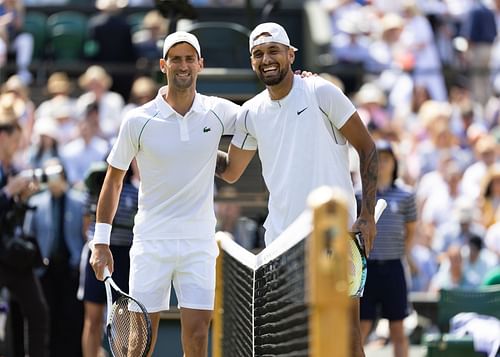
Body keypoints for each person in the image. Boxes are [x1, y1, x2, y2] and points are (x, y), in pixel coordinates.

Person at [216, 22, 378, 357]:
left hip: (335, 238)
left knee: (348, 342)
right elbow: (231, 171)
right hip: (281, 244)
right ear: (252, 62)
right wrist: (193, 142)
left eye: (274, 50)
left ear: (290, 54)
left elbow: (368, 148)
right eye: (258, 54)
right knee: (292, 344)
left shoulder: (321, 92)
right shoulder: (250, 113)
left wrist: (366, 216)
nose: (266, 59)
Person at [88, 31, 240, 357]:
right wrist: (101, 242)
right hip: (151, 243)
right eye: (176, 59)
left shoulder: (219, 112)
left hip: (199, 244)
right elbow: (113, 182)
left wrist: (298, 81)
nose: (182, 65)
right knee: (139, 344)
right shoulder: (137, 120)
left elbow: (264, 114)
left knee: (198, 338)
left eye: (189, 59)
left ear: (200, 64)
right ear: (163, 64)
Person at [358, 140, 417, 357]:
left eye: (386, 159)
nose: (381, 164)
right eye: (377, 159)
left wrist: (401, 252)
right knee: (361, 327)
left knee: (398, 328)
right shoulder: (358, 195)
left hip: (394, 268)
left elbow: (411, 229)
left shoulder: (406, 195)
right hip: (367, 269)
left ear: (394, 163)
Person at [23, 158, 85, 357]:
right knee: (46, 319)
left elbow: (85, 235)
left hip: (71, 269)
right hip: (45, 270)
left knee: (71, 321)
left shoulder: (79, 201)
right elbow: (28, 235)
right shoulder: (36, 203)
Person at [0, 113, 49, 357]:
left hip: (11, 251)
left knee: (37, 311)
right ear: (3, 137)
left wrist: (21, 197)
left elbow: (9, 215)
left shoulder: (11, 168)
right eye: (15, 140)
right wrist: (9, 191)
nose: (19, 146)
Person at [80, 161, 138, 357]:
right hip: (97, 255)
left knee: (122, 319)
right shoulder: (95, 184)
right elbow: (87, 224)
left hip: (125, 258)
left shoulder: (137, 188)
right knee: (93, 318)